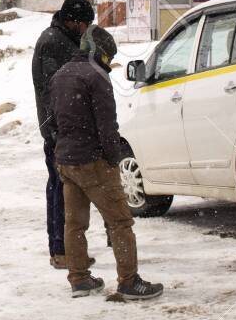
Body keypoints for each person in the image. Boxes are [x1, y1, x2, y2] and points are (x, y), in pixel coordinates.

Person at [49, 26, 163, 301]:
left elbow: (51, 121)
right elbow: (107, 126)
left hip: (66, 160)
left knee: (74, 224)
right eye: (108, 57)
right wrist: (113, 159)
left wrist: (62, 149)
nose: (108, 65)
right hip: (93, 161)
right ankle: (129, 281)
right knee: (120, 222)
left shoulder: (60, 74)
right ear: (99, 52)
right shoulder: (96, 77)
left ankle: (79, 279)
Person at [31, 0, 94, 270]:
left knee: (67, 190)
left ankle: (69, 250)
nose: (87, 29)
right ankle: (60, 250)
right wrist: (57, 130)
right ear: (73, 21)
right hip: (58, 131)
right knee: (60, 189)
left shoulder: (63, 38)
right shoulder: (53, 43)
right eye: (85, 24)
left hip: (65, 129)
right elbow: (52, 92)